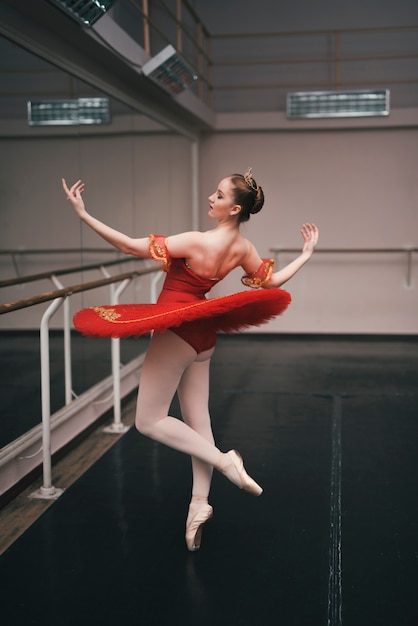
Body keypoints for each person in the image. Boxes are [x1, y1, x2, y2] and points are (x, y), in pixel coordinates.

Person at [62, 169, 318, 551]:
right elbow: (273, 282)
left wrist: (83, 216)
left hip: (176, 330)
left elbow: (132, 247)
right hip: (203, 333)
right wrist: (305, 256)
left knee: (148, 421)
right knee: (199, 422)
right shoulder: (243, 249)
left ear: (233, 208)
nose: (210, 199)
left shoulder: (197, 241)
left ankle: (225, 462)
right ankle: (199, 505)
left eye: (218, 196)